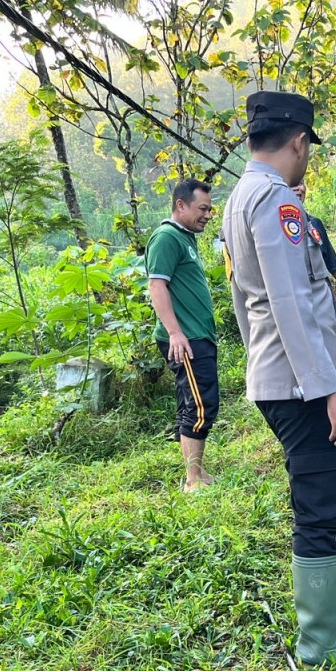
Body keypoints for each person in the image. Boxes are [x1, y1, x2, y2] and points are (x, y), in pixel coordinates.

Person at [221, 90, 336, 671]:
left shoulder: (239, 196)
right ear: (298, 141)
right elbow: (290, 302)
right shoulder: (275, 202)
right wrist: (332, 392)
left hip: (281, 375)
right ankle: (320, 645)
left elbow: (249, 308)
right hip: (300, 387)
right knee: (322, 501)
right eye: (308, 150)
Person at [146, 179, 219, 492]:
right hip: (185, 338)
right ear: (180, 205)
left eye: (210, 209)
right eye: (202, 208)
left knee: (195, 402)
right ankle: (192, 480)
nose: (207, 215)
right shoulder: (166, 237)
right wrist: (175, 333)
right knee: (201, 405)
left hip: (197, 335)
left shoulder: (185, 238)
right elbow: (156, 286)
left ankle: (198, 473)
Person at [292, 182, 336, 297]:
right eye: (291, 183)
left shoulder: (314, 224)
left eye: (300, 182)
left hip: (321, 309)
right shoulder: (271, 229)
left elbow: (335, 267)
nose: (297, 188)